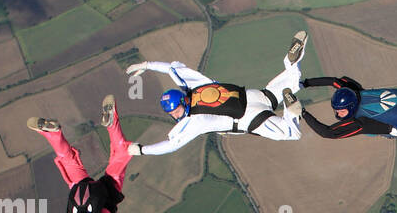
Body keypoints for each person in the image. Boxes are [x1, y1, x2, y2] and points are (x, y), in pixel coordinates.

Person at [124, 32, 308, 153]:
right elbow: (173, 68)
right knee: (290, 81)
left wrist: (141, 150)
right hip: (253, 95)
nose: (175, 115)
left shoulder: (195, 120)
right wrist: (148, 65)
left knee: (290, 133)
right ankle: (290, 63)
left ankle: (291, 112)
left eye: (176, 111)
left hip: (248, 118)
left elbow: (171, 145)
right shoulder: (196, 87)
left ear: (184, 103)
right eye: (171, 113)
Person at [26, 96, 146, 213]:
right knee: (67, 159)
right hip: (80, 185)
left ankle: (112, 122)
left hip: (108, 188)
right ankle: (54, 133)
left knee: (120, 153)